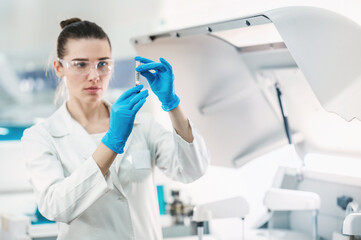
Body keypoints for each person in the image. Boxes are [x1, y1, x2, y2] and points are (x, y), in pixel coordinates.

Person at [21, 18, 209, 240]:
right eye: (81, 64)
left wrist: (172, 105)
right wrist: (112, 141)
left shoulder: (143, 125)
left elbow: (191, 170)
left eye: (103, 64)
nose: (94, 76)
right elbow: (55, 207)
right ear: (59, 67)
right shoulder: (41, 136)